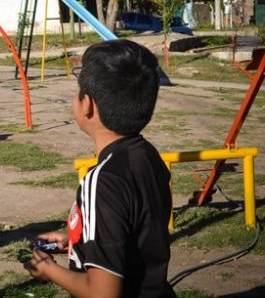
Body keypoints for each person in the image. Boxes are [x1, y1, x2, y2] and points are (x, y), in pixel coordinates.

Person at [24, 40, 175, 298]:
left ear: (88, 105)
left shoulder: (101, 180)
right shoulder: (148, 157)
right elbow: (132, 233)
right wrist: (78, 244)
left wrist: (48, 269)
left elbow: (101, 293)